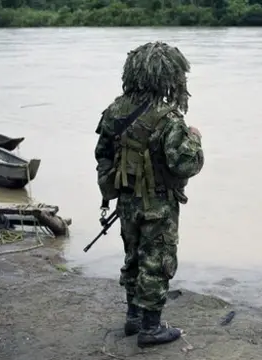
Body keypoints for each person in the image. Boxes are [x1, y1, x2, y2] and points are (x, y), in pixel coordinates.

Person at [93, 41, 205, 348]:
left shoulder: (114, 110)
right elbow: (185, 164)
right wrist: (194, 139)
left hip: (126, 202)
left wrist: (109, 190)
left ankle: (132, 319)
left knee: (133, 257)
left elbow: (102, 154)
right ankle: (151, 328)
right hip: (158, 203)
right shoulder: (168, 118)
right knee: (157, 260)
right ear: (166, 77)